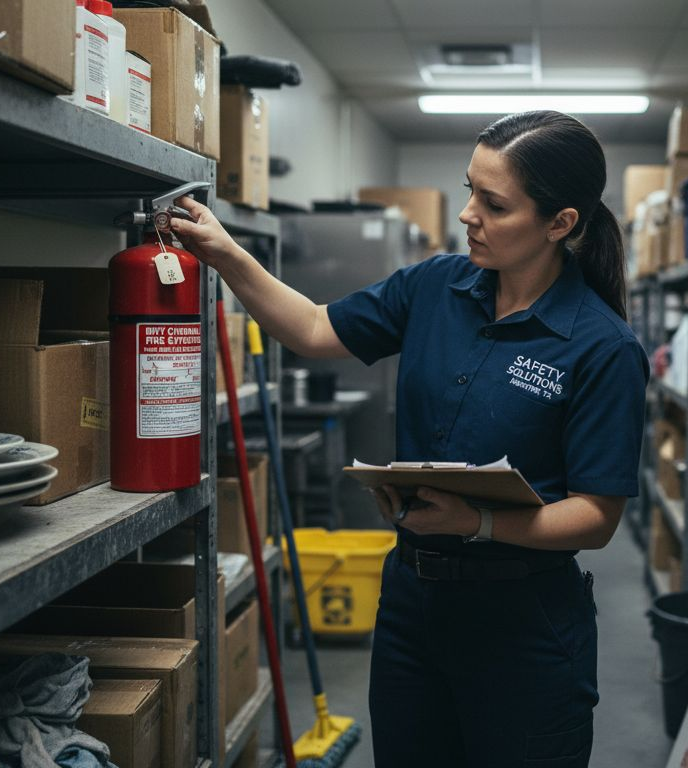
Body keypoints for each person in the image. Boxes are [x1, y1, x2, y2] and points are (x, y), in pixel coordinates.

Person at [170, 110, 648, 767]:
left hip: (523, 623)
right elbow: (313, 328)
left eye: (494, 203)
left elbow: (596, 517)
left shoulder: (602, 347)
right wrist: (226, 254)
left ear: (560, 223)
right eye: (469, 190)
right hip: (412, 609)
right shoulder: (435, 285)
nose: (468, 215)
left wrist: (475, 520)